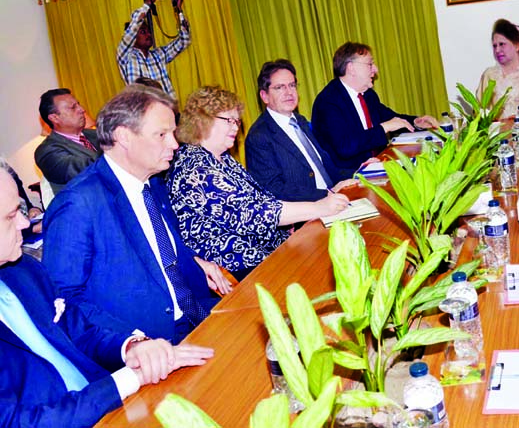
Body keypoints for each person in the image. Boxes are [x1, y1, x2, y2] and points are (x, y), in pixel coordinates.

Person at [0, 166, 214, 427]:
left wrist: (133, 348)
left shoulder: (23, 270)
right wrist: (125, 380)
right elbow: (16, 422)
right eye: (11, 216)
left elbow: (79, 332)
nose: (25, 223)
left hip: (110, 407)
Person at [43, 85, 230, 344]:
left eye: (173, 133)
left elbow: (160, 247)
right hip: (151, 341)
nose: (174, 144)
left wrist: (194, 260)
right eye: (162, 134)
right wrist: (131, 344)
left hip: (198, 313)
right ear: (124, 137)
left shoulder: (151, 181)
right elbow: (64, 300)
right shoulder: (78, 204)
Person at [169, 86, 350, 280]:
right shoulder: (196, 168)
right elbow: (254, 213)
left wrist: (286, 222)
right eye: (228, 120)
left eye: (236, 120)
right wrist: (318, 207)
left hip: (266, 250)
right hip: (241, 265)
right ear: (202, 120)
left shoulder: (222, 158)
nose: (235, 126)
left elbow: (261, 197)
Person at [311, 42, 437, 179]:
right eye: (370, 64)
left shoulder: (368, 95)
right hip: (350, 176)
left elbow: (390, 118)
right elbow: (345, 147)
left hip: (378, 166)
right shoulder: (328, 102)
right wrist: (383, 128)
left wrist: (416, 122)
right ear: (351, 68)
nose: (375, 69)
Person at [246, 59, 356, 202]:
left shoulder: (301, 121)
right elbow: (273, 190)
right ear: (264, 96)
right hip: (307, 214)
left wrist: (361, 172)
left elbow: (327, 169)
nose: (289, 92)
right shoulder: (259, 136)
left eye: (292, 85)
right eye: (280, 87)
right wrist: (328, 194)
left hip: (335, 199)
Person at [117, 0, 190, 98]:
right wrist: (148, 3)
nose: (148, 34)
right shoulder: (126, 56)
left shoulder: (158, 54)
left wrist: (178, 10)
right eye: (143, 32)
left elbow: (184, 40)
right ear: (133, 37)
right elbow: (133, 28)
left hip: (170, 110)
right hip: (144, 112)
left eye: (148, 31)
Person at [35, 89, 102, 195]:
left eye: (78, 105)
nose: (82, 110)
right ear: (55, 118)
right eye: (73, 107)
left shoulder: (97, 134)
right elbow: (82, 170)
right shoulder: (46, 151)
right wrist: (116, 150)